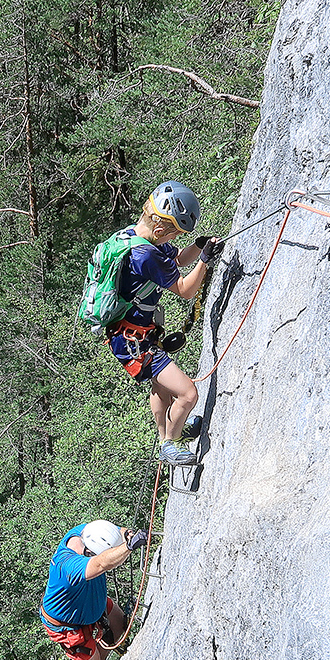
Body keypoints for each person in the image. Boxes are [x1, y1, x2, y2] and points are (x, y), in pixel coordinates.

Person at [103, 182, 223, 465]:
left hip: (130, 335)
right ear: (160, 230)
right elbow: (185, 289)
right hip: (134, 341)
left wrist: (197, 246)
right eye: (176, 232)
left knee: (160, 386)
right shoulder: (145, 255)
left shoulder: (135, 237)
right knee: (188, 393)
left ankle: (166, 436)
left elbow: (178, 260)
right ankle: (171, 443)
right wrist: (204, 261)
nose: (176, 238)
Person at [41, 519, 149, 660]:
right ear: (90, 552)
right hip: (67, 624)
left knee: (119, 626)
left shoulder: (86, 533)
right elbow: (100, 564)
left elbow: (115, 531)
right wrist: (129, 547)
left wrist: (127, 535)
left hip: (91, 602)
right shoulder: (67, 565)